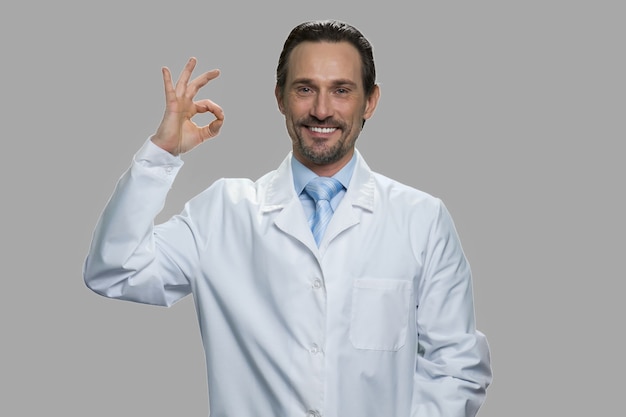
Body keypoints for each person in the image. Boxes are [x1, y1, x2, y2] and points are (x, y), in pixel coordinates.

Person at [84, 19, 492, 417]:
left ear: (370, 100)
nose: (321, 110)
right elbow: (114, 270)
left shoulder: (421, 220)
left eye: (341, 90)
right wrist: (161, 154)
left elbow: (457, 366)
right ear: (280, 97)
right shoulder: (223, 212)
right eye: (304, 89)